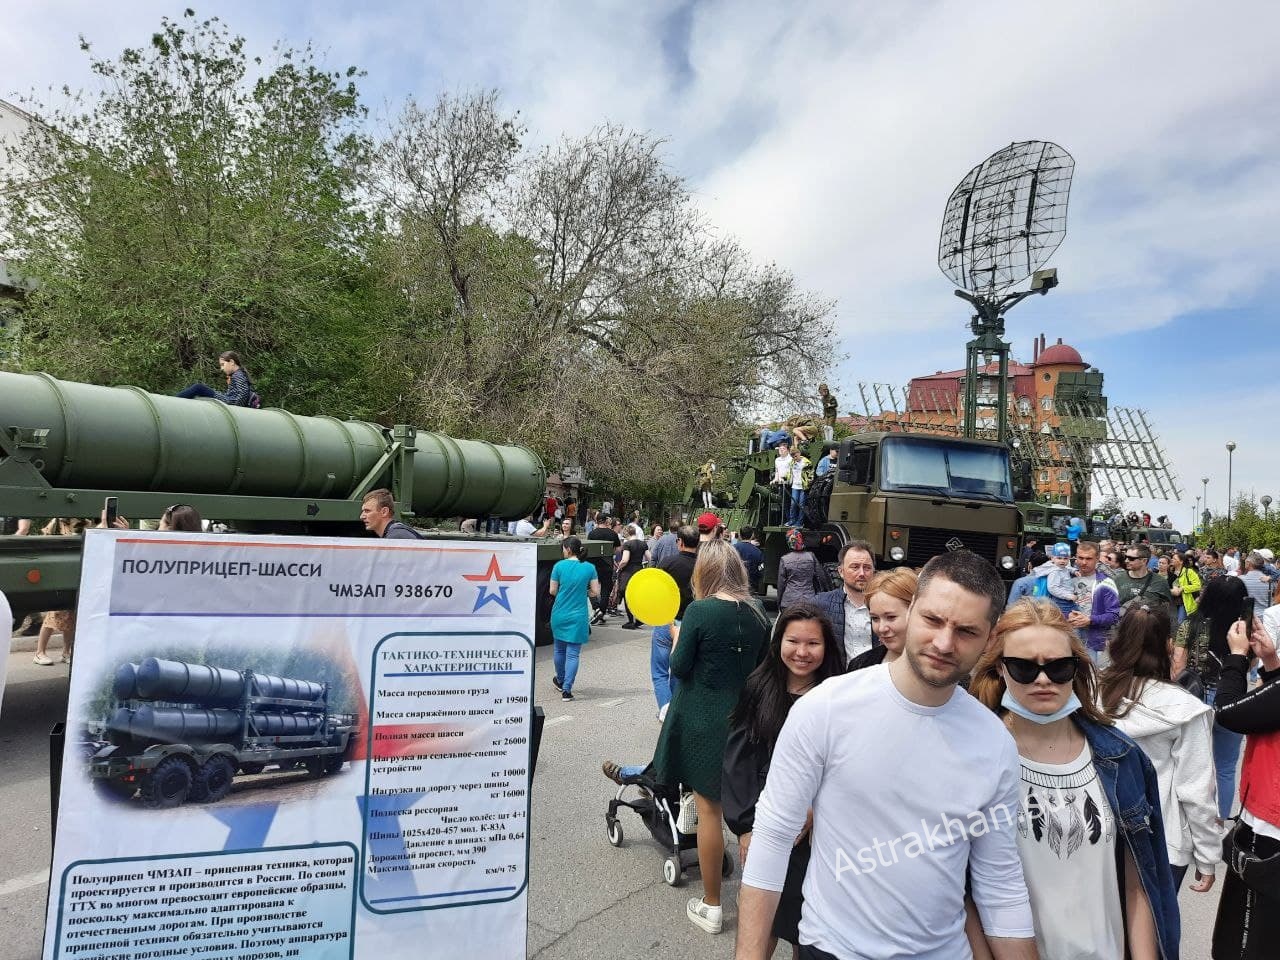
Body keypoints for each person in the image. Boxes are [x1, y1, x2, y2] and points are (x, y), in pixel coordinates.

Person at [737, 550, 1036, 960]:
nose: (945, 643)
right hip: (833, 949)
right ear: (911, 612)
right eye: (933, 620)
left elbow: (999, 881)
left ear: (989, 638)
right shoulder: (826, 709)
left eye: (966, 631)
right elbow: (771, 840)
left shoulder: (995, 742)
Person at [969, 600, 1179, 960]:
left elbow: (1139, 886)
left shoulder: (1122, 758)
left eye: (1059, 667)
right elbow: (960, 894)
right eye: (1023, 667)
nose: (1043, 679)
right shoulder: (970, 761)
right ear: (1000, 669)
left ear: (1077, 668)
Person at [617, 540, 768, 935]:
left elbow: (680, 666)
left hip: (702, 719)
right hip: (745, 721)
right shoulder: (757, 615)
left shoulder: (700, 611)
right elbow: (760, 670)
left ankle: (712, 904)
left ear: (704, 572)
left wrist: (675, 632)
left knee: (709, 814)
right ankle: (761, 902)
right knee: (748, 816)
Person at [722, 603, 845, 957]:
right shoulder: (760, 687)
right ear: (778, 643)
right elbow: (739, 761)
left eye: (813, 644)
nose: (802, 653)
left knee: (804, 926)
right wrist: (745, 826)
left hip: (821, 836)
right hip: (769, 827)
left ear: (828, 647)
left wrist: (815, 808)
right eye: (793, 641)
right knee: (761, 922)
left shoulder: (837, 694)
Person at [1098, 603, 1220, 893]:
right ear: (1167, 645)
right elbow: (1197, 788)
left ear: (1117, 642)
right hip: (1160, 838)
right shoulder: (1186, 709)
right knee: (1153, 932)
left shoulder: (1091, 693)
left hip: (1098, 833)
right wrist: (1207, 856)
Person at [1211, 612, 1280, 958]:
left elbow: (1229, 711)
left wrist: (1237, 657)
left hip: (1270, 830)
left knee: (1245, 944)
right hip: (1267, 816)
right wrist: (1270, 662)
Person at [1172, 575, 1249, 820]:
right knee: (1226, 768)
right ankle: (1220, 820)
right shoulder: (1243, 630)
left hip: (1196, 699)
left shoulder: (1191, 624)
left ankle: (1192, 820)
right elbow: (1252, 664)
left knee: (1193, 765)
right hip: (1234, 698)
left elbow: (1177, 666)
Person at [649, 525, 699, 720]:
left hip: (666, 620)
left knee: (659, 669)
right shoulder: (704, 566)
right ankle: (675, 709)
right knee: (679, 669)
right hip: (690, 623)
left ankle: (665, 708)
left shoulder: (667, 563)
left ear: (680, 542)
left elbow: (656, 591)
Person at [33, 517, 91, 665]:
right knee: (54, 615)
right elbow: (45, 544)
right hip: (59, 573)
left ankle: (66, 652)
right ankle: (40, 652)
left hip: (77, 571)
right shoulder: (56, 523)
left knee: (71, 615)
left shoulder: (85, 523)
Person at [548, 536, 600, 703]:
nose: (562, 551)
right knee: (573, 654)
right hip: (578, 615)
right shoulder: (590, 568)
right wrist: (582, 593)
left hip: (559, 613)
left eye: (563, 548)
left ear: (568, 549)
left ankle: (560, 679)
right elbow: (595, 591)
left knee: (559, 650)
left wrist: (565, 593)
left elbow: (552, 590)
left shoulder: (558, 566)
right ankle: (567, 690)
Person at [812, 540, 874, 665]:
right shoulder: (820, 605)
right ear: (840, 571)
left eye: (867, 568)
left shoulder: (884, 607)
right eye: (855, 567)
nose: (862, 573)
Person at [845, 566, 918, 672]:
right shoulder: (861, 666)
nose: (881, 628)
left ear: (916, 612)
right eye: (875, 618)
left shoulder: (940, 669)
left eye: (891, 617)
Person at [1065, 540, 1121, 666]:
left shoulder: (1106, 583)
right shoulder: (1064, 578)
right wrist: (1066, 615)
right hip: (1064, 641)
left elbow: (1113, 615)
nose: (1084, 562)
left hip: (1092, 643)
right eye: (1081, 558)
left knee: (1089, 680)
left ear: (1097, 559)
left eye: (1089, 558)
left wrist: (1090, 620)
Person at [1112, 543, 1173, 616]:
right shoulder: (1117, 579)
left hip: (1149, 626)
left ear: (1144, 561)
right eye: (1126, 557)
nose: (1126, 561)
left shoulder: (1160, 582)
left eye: (1131, 558)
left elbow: (1166, 610)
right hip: (1121, 625)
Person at [176, 350, 255, 406]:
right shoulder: (236, 374)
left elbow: (243, 394)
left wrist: (234, 407)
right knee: (200, 388)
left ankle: (174, 400)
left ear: (231, 362)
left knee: (199, 387)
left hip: (230, 402)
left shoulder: (238, 375)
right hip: (229, 400)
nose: (221, 368)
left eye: (223, 364)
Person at [775, 528, 824, 611]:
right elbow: (821, 577)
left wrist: (779, 601)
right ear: (801, 540)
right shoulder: (811, 556)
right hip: (809, 601)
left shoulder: (785, 559)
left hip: (789, 602)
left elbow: (781, 584)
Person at [588, 515, 621, 623]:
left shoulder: (592, 534)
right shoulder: (612, 533)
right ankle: (601, 611)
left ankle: (596, 608)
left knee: (592, 588)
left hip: (594, 565)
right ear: (606, 521)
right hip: (607, 564)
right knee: (606, 590)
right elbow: (617, 549)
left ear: (597, 521)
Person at [617, 524, 649, 629]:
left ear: (626, 533)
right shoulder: (643, 544)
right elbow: (650, 557)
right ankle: (639, 618)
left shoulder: (627, 544)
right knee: (637, 595)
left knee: (627, 595)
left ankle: (631, 621)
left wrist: (619, 567)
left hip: (628, 572)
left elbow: (625, 559)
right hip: (639, 570)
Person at [359, 489, 423, 539]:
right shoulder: (395, 533)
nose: (361, 517)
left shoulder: (397, 536)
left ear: (384, 512)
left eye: (367, 511)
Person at [1170, 550, 1201, 626]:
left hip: (1183, 603)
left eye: (1174, 559)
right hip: (1170, 602)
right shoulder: (1170, 571)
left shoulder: (1189, 571)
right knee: (1171, 623)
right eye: (1172, 558)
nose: (1172, 560)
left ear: (1181, 562)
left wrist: (1182, 588)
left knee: (1180, 623)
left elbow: (1197, 586)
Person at [732, 526, 764, 595]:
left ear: (740, 535)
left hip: (735, 585)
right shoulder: (757, 552)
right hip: (751, 586)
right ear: (752, 535)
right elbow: (761, 568)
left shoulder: (733, 549)